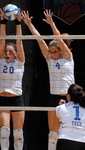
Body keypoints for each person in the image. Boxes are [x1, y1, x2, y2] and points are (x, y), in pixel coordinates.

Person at [21, 10, 75, 150]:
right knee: (52, 134)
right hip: (54, 97)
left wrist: (52, 24)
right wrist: (29, 24)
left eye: (55, 52)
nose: (52, 54)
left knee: (69, 132)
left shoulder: (68, 57)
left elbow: (59, 40)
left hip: (69, 98)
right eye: (50, 52)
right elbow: (39, 39)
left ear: (61, 50)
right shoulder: (49, 59)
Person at [0, 8, 25, 150]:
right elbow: (1, 40)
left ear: (15, 54)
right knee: (4, 132)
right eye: (6, 50)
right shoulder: (1, 60)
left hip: (17, 98)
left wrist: (18, 23)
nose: (7, 52)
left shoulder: (20, 61)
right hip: (3, 98)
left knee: (18, 134)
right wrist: (3, 22)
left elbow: (19, 42)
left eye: (10, 51)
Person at [56, 84, 85, 150]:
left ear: (68, 96)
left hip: (65, 139)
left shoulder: (60, 108)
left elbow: (57, 126)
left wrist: (61, 106)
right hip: (82, 140)